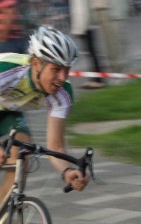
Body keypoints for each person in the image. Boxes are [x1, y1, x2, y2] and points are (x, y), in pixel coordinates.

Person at [0, 26, 90, 204]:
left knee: (22, 157)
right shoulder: (7, 70)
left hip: (8, 110)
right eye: (56, 69)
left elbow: (56, 146)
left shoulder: (63, 94)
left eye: (66, 69)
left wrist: (67, 171)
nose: (62, 77)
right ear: (36, 64)